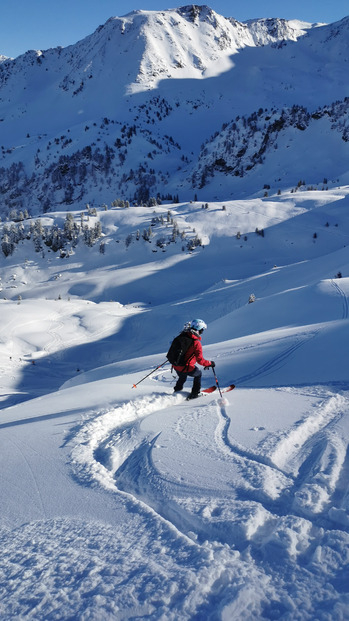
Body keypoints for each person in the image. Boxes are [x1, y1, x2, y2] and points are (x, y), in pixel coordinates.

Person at [173, 319, 215, 399]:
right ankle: (195, 393)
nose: (202, 332)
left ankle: (177, 390)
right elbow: (200, 361)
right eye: (202, 330)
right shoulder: (196, 343)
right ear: (199, 330)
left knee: (182, 376)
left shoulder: (182, 336)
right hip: (185, 367)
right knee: (198, 374)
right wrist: (210, 363)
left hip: (176, 365)